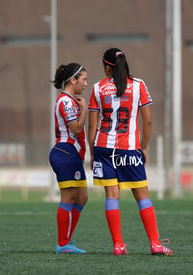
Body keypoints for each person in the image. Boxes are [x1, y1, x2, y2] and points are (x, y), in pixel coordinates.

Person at [88, 48, 172, 256]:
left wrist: (92, 153)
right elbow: (148, 121)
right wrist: (144, 146)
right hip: (129, 148)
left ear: (107, 67)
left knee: (111, 195)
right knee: (142, 195)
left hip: (103, 148)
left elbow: (92, 127)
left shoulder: (98, 88)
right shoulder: (138, 85)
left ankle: (118, 245)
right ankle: (155, 244)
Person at [49, 63, 88, 254]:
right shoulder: (65, 101)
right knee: (69, 197)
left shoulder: (70, 100)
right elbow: (76, 129)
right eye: (83, 79)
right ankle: (63, 244)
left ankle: (66, 240)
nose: (86, 84)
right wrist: (85, 111)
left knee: (82, 197)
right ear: (73, 80)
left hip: (70, 154)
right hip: (65, 152)